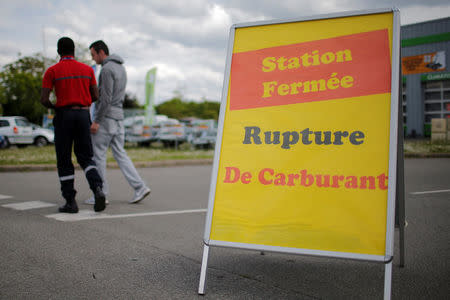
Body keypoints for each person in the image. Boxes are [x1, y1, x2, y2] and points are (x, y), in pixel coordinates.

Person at [40, 37, 106, 213]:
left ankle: (70, 201)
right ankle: (97, 188)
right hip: (83, 115)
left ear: (58, 51)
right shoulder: (87, 70)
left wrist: (57, 106)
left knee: (64, 159)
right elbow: (96, 95)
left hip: (63, 116)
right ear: (74, 51)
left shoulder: (52, 71)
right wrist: (83, 102)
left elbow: (44, 99)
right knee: (86, 157)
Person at [86, 40, 150, 205]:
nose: (93, 59)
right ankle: (140, 187)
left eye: (93, 55)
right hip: (119, 117)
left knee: (98, 155)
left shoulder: (106, 70)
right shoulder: (122, 68)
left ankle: (101, 193)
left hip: (106, 118)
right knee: (120, 154)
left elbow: (105, 98)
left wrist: (96, 121)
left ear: (101, 52)